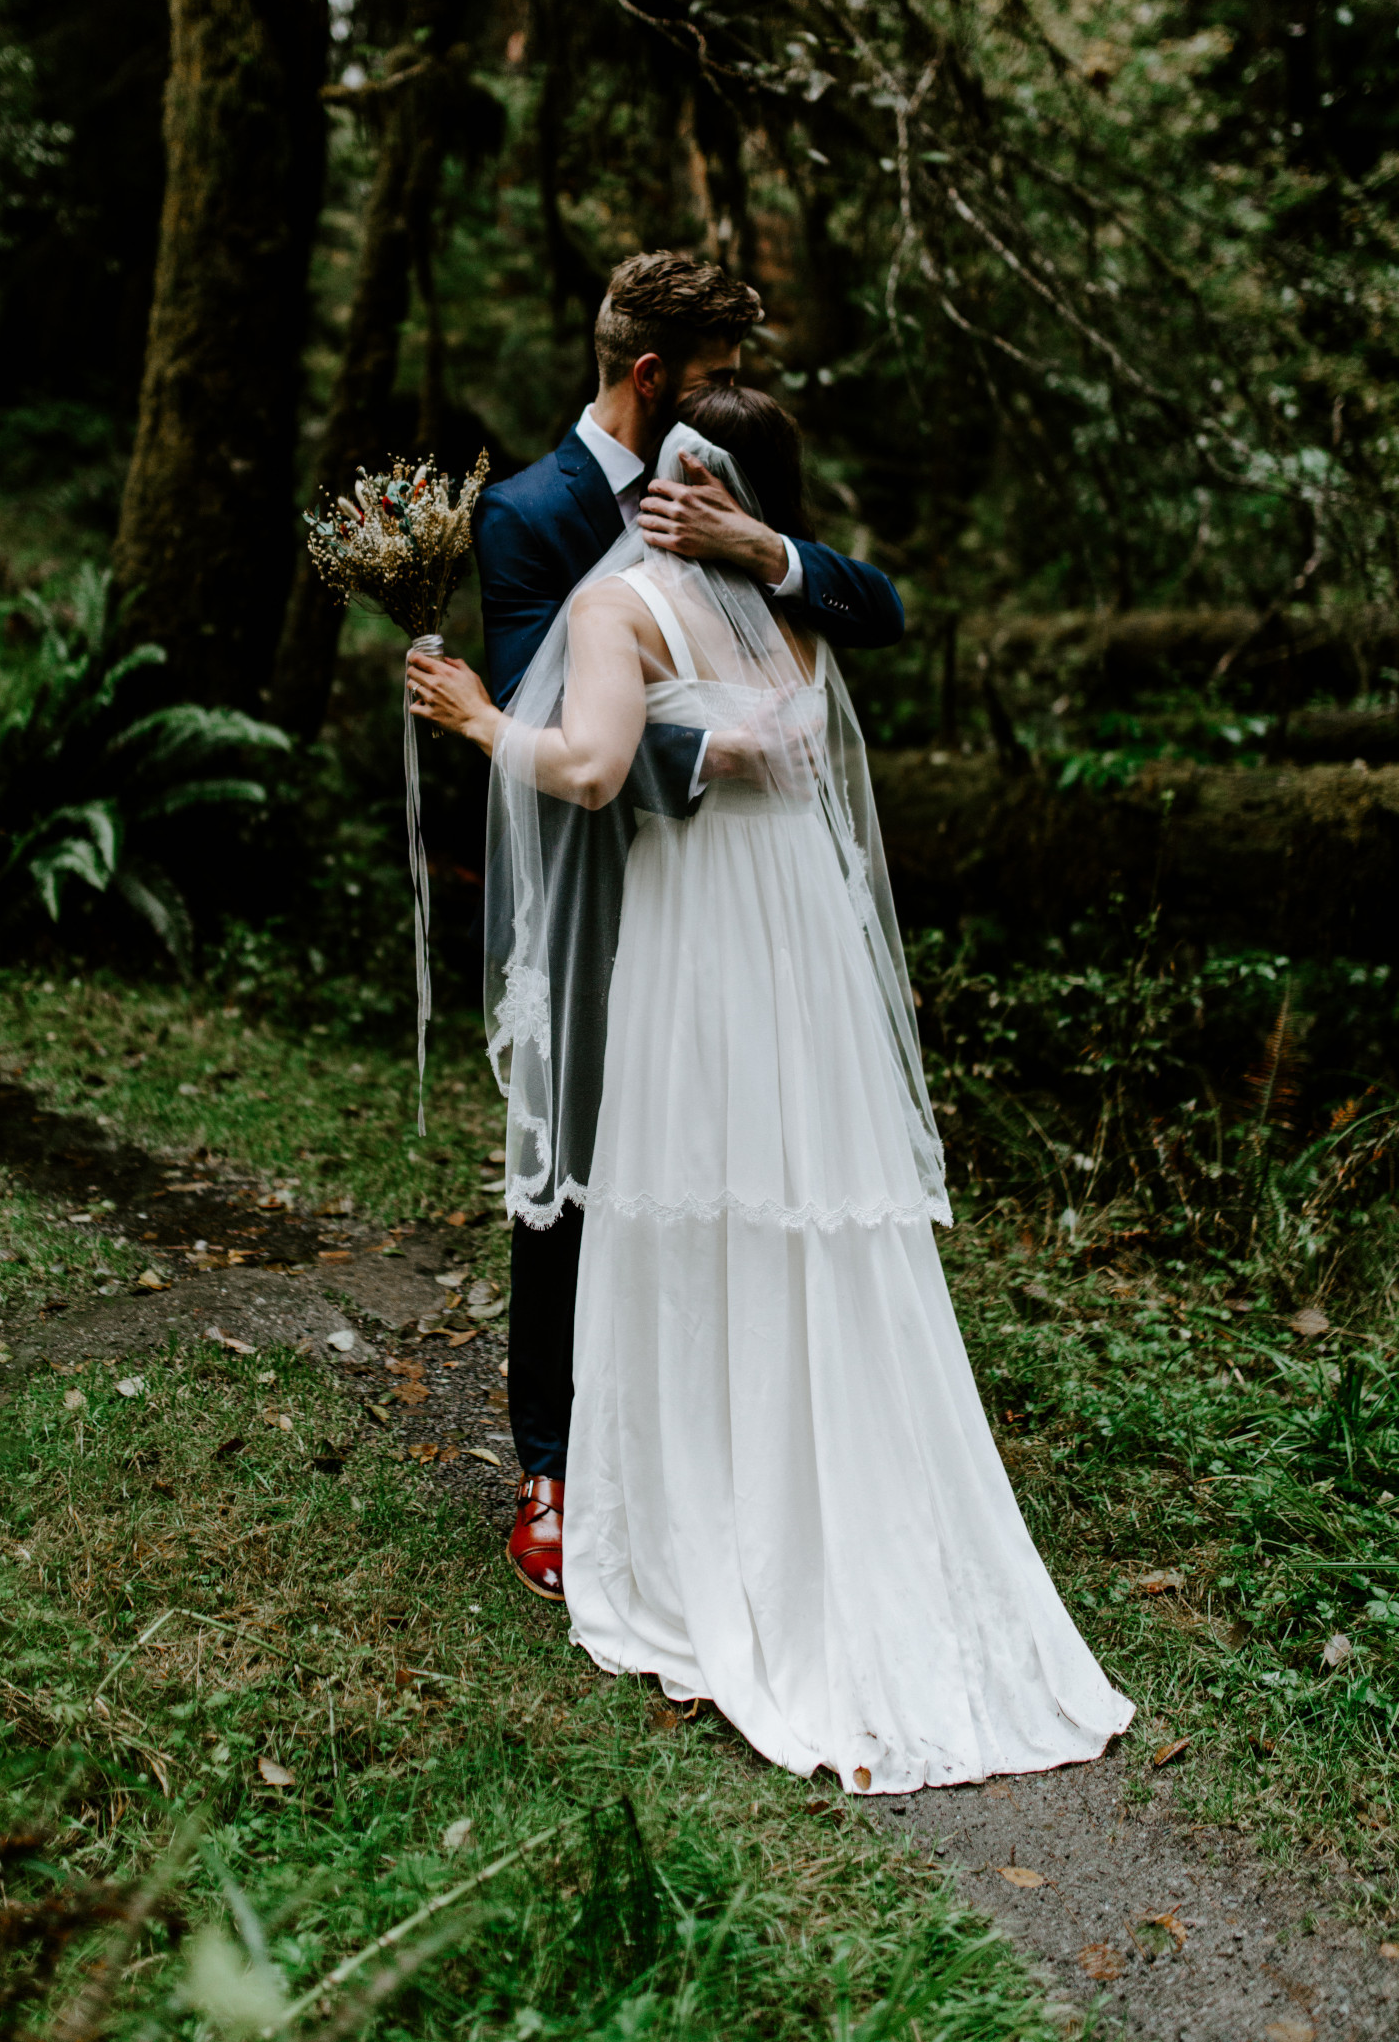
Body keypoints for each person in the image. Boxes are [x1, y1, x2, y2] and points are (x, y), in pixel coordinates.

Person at [406, 383, 1134, 1795]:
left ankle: (697, 1515)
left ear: (702, 489)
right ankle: (831, 1492)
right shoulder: (789, 613)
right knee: (807, 1199)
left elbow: (592, 766)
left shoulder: (628, 608)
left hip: (700, 947)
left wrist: (481, 720)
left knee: (689, 1196)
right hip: (807, 944)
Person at [459, 251, 905, 1600]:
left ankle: (716, 1438)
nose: (734, 400)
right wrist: (719, 755)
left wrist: (760, 548)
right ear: (653, 377)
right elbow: (548, 720)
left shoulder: (727, 487)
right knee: (574, 1152)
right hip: (601, 876)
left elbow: (870, 608)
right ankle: (553, 1460)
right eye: (713, 378)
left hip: (727, 899)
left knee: (718, 1151)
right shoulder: (530, 515)